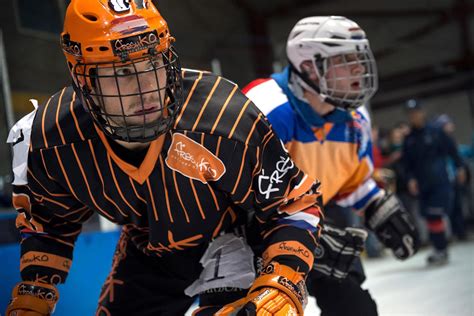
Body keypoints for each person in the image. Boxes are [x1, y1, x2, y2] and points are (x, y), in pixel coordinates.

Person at [5, 1, 324, 315]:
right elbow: (48, 223)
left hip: (239, 236)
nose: (146, 88)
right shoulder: (51, 139)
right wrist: (35, 294)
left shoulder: (223, 115)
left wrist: (285, 277)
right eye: (123, 72)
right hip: (153, 251)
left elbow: (294, 202)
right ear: (84, 80)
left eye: (152, 64)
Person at [243, 16, 420, 316]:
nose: (359, 68)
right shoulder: (265, 107)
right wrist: (295, 236)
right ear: (310, 67)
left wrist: (376, 205)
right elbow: (233, 199)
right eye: (346, 60)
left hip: (320, 217)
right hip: (252, 236)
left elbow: (349, 181)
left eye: (360, 58)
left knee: (356, 309)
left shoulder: (355, 118)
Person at [403, 103, 466, 266]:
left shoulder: (436, 132)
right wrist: (410, 179)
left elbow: (452, 150)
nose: (414, 116)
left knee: (435, 214)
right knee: (429, 217)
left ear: (422, 112)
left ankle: (441, 248)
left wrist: (460, 167)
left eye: (416, 112)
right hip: (423, 184)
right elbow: (407, 164)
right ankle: (440, 249)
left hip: (440, 181)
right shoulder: (409, 139)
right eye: (410, 113)